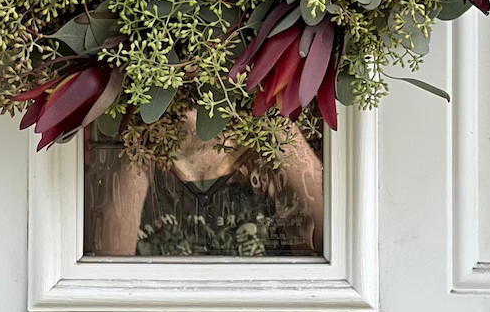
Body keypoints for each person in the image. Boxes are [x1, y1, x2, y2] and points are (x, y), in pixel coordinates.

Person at [84, 110, 325, 258]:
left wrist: (271, 118)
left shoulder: (270, 150)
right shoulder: (135, 155)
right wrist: (141, 132)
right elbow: (107, 275)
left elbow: (340, 246)